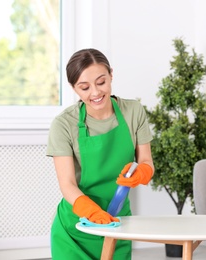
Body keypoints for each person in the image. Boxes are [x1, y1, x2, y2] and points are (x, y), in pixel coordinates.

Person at [47, 48, 154, 259]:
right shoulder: (63, 125)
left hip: (118, 225)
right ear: (74, 88)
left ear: (111, 75)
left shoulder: (133, 112)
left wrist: (143, 171)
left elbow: (146, 161)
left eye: (101, 82)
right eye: (84, 87)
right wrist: (91, 212)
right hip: (77, 228)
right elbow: (67, 184)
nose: (95, 93)